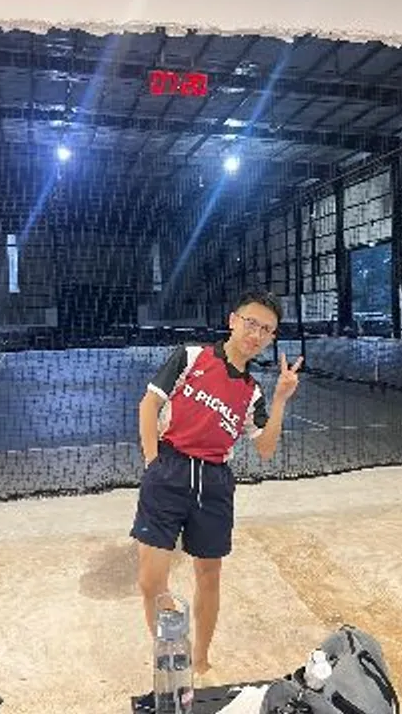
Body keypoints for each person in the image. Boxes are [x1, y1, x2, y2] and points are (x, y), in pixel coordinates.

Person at [129, 289, 303, 679]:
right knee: (150, 581)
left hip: (214, 482)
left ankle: (200, 659)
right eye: (251, 323)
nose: (256, 334)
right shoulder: (191, 357)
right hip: (169, 469)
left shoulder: (253, 392)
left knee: (209, 575)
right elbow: (149, 405)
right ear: (233, 321)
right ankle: (171, 651)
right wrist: (153, 463)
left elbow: (265, 448)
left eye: (267, 330)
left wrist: (280, 399)